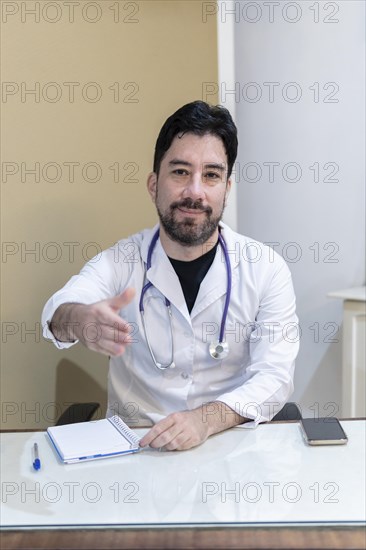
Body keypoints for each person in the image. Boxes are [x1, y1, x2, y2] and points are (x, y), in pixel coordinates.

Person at [42, 100, 299, 451]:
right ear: (153, 185)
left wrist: (204, 420)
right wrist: (78, 318)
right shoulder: (122, 260)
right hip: (136, 449)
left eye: (211, 175)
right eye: (180, 172)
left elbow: (275, 376)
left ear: (226, 188)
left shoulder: (265, 268)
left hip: (231, 450)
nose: (195, 191)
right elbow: (59, 311)